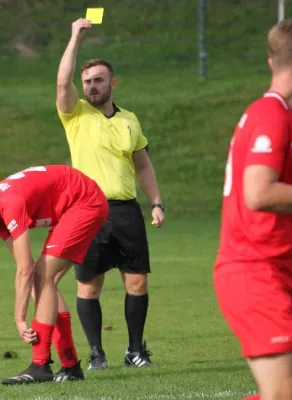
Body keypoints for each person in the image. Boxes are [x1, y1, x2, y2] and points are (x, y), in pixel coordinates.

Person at [215, 18, 292, 400]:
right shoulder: (272, 116)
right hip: (254, 272)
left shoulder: (287, 119)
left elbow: (270, 198)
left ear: (272, 62)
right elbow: (258, 193)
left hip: (284, 273)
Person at [55, 18, 165, 370]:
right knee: (89, 286)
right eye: (87, 81)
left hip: (126, 210)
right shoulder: (75, 114)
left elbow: (143, 165)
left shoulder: (130, 119)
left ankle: (135, 351)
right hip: (87, 211)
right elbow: (62, 82)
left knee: (137, 282)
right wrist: (74, 38)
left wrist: (157, 202)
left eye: (98, 80)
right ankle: (96, 355)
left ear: (112, 83)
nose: (91, 86)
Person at [0, 165, 108, 385]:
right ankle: (70, 365)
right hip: (73, 207)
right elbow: (25, 268)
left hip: (86, 202)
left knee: (42, 276)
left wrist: (20, 319)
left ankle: (40, 365)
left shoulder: (8, 202)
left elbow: (25, 270)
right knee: (42, 283)